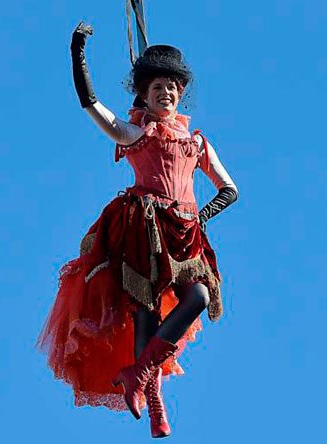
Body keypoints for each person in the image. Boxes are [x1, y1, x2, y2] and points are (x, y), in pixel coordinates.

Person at [37, 22, 238, 439]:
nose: (166, 93)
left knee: (198, 296)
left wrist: (200, 217)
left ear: (180, 93)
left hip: (184, 230)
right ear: (144, 95)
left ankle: (140, 371)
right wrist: (78, 53)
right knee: (145, 312)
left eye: (171, 87)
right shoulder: (137, 133)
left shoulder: (196, 142)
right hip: (143, 225)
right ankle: (155, 404)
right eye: (157, 87)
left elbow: (229, 189)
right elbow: (91, 105)